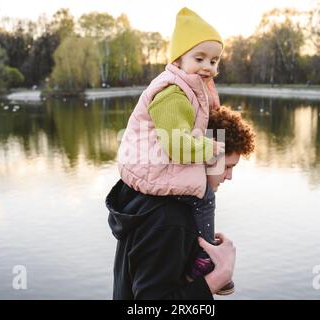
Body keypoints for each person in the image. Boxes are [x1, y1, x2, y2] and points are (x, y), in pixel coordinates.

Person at [116, 7, 232, 294]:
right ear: (178, 59)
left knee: (203, 198)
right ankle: (205, 259)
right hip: (154, 163)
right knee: (205, 199)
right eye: (200, 58)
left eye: (214, 61)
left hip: (155, 166)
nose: (208, 66)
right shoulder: (169, 221)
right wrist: (213, 282)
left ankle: (203, 255)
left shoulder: (187, 89)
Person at [107, 106, 255, 299]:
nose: (230, 176)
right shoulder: (170, 218)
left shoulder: (150, 196)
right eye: (227, 167)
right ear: (203, 154)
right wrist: (219, 276)